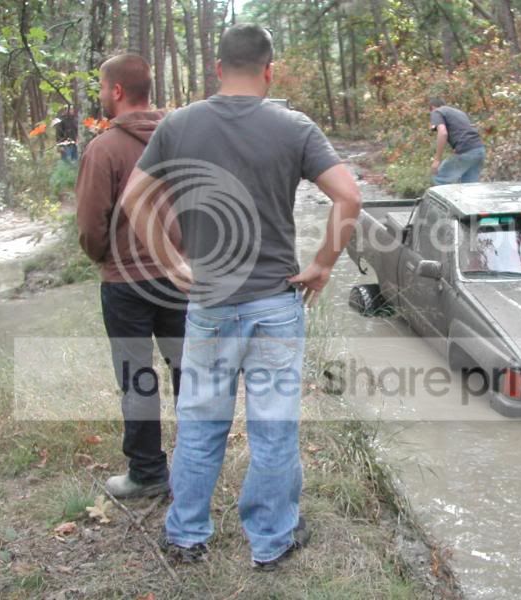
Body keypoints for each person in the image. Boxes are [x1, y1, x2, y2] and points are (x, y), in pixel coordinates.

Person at [120, 24, 361, 568]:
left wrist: (170, 260)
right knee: (273, 427)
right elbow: (348, 196)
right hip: (276, 302)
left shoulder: (179, 125)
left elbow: (134, 197)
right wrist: (322, 263)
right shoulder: (293, 127)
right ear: (269, 70)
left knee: (202, 422)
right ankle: (272, 542)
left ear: (217, 68)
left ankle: (185, 536)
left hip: (208, 302)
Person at [75, 54, 186, 499]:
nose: (101, 96)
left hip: (125, 284)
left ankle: (147, 472)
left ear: (117, 91)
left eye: (103, 88)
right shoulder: (182, 141)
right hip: (180, 279)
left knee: (137, 376)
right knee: (188, 374)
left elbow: (88, 224)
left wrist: (105, 256)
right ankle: (197, 467)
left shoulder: (104, 149)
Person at [429, 97, 486, 185]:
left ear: (432, 107)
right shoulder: (459, 113)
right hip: (479, 149)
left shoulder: (437, 112)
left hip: (466, 150)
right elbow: (465, 130)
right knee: (469, 187)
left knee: (439, 178)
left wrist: (437, 160)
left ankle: (441, 198)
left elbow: (443, 133)